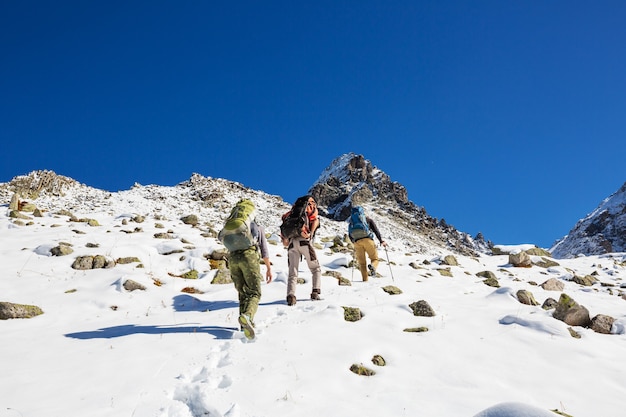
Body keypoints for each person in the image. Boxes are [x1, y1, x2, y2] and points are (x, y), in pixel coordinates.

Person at [221, 200, 272, 340]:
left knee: (242, 292)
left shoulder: (232, 224)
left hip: (232, 258)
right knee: (254, 292)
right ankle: (247, 317)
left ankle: (244, 327)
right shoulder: (256, 226)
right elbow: (264, 250)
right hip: (248, 256)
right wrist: (268, 268)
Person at [281, 196, 322, 306]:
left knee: (292, 273)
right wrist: (311, 233)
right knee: (315, 268)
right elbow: (315, 220)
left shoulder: (288, 215)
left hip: (291, 245)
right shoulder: (310, 210)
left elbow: (284, 241)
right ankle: (315, 292)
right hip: (304, 242)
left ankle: (291, 295)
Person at [348, 206, 387, 282]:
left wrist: (354, 243)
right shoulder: (368, 220)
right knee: (375, 259)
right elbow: (376, 231)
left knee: (362, 263)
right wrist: (381, 241)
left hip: (357, 243)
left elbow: (350, 234)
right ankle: (373, 266)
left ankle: (365, 280)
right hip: (368, 240)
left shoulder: (352, 222)